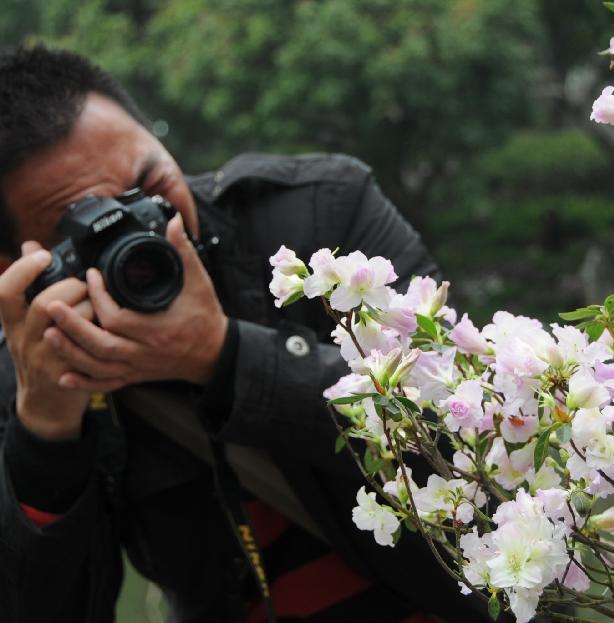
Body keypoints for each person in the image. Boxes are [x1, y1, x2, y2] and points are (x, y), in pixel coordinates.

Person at [0, 46, 491, 623]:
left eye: (148, 188)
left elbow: (472, 427)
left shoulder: (319, 222)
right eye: (83, 234)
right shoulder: (31, 367)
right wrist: (45, 434)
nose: (145, 236)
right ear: (16, 265)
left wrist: (225, 356)